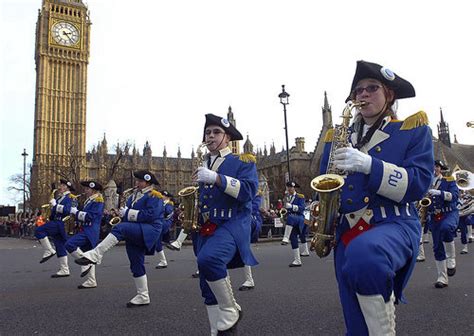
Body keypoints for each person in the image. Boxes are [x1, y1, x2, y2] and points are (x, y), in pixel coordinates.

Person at [319, 60, 433, 335]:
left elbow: (418, 183)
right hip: (346, 232)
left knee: (364, 256)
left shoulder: (411, 129)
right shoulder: (337, 138)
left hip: (393, 224)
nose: (363, 95)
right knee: (356, 326)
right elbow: (326, 182)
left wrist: (370, 165)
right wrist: (321, 211)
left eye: (372, 88)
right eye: (358, 91)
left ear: (389, 95)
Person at [194, 113, 258, 335]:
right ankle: (216, 331)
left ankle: (231, 309)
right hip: (205, 228)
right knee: (206, 285)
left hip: (231, 223)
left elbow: (249, 191)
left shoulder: (242, 161)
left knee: (209, 259)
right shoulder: (204, 163)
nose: (210, 136)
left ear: (228, 137)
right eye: (208, 132)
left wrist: (216, 179)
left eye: (216, 132)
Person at [75, 170, 164, 307]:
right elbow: (130, 213)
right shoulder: (134, 195)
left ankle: (96, 254)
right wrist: (122, 212)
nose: (136, 183)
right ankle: (143, 295)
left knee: (120, 228)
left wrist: (128, 212)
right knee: (135, 262)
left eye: (139, 181)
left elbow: (152, 215)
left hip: (150, 229)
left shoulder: (155, 196)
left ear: (147, 182)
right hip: (135, 230)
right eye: (137, 181)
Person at [64, 180, 104, 289]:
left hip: (90, 231)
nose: (85, 191)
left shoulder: (98, 201)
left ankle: (85, 264)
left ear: (93, 190)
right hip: (85, 229)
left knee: (69, 244)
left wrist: (76, 212)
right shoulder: (90, 201)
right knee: (88, 253)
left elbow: (90, 216)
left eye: (87, 189)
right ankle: (91, 281)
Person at [426, 160, 459, 288]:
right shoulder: (426, 182)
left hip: (449, 213)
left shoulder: (449, 180)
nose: (434, 168)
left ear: (440, 168)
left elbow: (455, 196)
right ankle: (442, 277)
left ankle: (451, 259)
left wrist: (440, 193)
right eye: (432, 166)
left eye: (437, 166)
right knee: (437, 247)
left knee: (446, 228)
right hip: (434, 216)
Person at [35, 179, 77, 278]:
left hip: (62, 223)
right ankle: (65, 269)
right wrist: (50, 211)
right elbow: (54, 212)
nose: (60, 187)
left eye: (62, 185)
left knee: (39, 230)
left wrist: (55, 205)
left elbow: (67, 211)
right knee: (60, 245)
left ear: (67, 187)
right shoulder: (59, 198)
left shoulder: (71, 197)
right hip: (56, 221)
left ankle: (49, 250)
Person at [239, 187, 263, 291]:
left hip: (251, 220)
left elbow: (254, 207)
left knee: (244, 248)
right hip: (240, 219)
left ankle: (249, 280)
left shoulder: (257, 192)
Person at [280, 181, 309, 267]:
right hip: (291, 220)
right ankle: (297, 260)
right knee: (293, 237)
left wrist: (292, 207)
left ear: (294, 188)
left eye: (291, 187)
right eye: (288, 187)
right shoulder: (287, 197)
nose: (289, 189)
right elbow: (285, 209)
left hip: (300, 217)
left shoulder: (300, 196)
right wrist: (282, 214)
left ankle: (285, 237)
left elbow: (302, 208)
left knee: (301, 233)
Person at [155, 190, 174, 269]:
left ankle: (163, 261)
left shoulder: (169, 204)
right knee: (157, 242)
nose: (162, 196)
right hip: (160, 223)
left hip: (164, 224)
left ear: (167, 197)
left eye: (163, 195)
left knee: (157, 241)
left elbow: (167, 213)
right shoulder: (162, 203)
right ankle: (163, 261)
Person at [458, 190, 473, 254]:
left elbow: (470, 208)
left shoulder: (467, 198)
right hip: (454, 215)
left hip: (462, 216)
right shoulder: (454, 198)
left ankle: (465, 248)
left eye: (459, 192)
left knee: (463, 231)